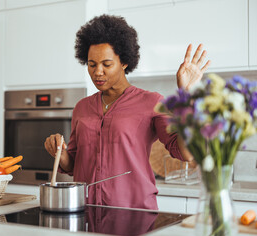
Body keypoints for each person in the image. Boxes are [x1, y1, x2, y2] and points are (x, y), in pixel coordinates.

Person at [44, 15, 210, 210]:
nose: (98, 72)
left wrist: (188, 96)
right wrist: (60, 152)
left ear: (124, 62)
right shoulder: (82, 107)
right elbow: (73, 165)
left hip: (134, 213)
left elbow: (187, 153)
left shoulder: (151, 102)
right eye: (91, 64)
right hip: (86, 211)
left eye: (106, 64)